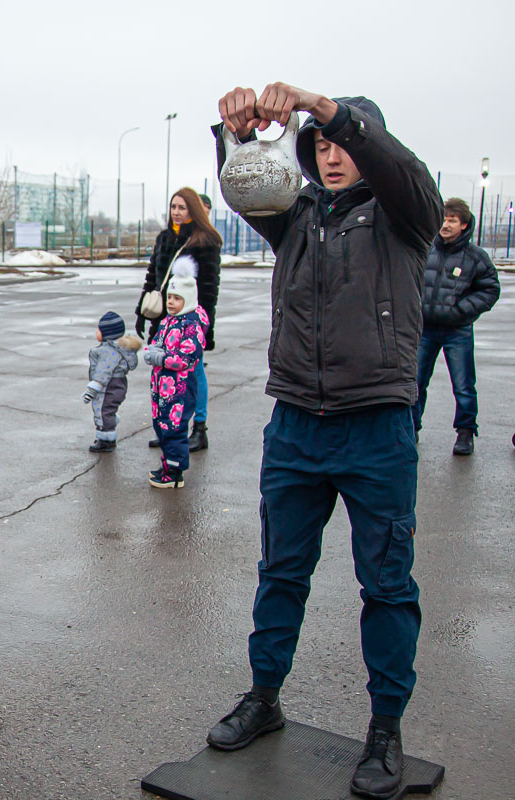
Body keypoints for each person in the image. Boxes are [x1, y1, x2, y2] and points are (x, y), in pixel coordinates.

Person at [206, 84, 441, 800]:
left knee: (387, 585)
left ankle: (385, 730)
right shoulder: (298, 213)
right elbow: (249, 190)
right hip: (297, 426)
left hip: (376, 427)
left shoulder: (407, 212)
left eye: (342, 143)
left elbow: (399, 170)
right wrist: (236, 136)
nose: (332, 156)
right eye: (322, 145)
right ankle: (264, 697)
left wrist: (324, 106)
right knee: (281, 570)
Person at [136, 187, 221, 452]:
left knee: (194, 373)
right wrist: (141, 311)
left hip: (190, 320)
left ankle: (200, 429)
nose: (176, 212)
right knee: (165, 373)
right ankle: (170, 429)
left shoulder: (205, 240)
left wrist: (206, 328)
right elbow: (153, 276)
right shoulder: (164, 237)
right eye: (173, 206)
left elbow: (209, 287)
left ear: (193, 210)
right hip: (164, 318)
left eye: (182, 207)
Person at [413, 197, 499, 456]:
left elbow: (491, 289)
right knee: (415, 382)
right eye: (444, 218)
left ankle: (465, 432)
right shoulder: (426, 250)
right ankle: (411, 428)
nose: (446, 224)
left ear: (463, 225)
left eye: (452, 220)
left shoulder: (476, 257)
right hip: (424, 329)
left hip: (457, 331)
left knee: (463, 384)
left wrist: (461, 311)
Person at [142, 266, 207, 488]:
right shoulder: (169, 320)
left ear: (187, 300)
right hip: (162, 388)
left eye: (177, 298)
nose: (170, 302)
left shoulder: (191, 325)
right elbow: (160, 340)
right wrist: (154, 349)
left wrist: (161, 358)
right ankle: (167, 465)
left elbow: (186, 357)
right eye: (169, 297)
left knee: (174, 428)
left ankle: (175, 473)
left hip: (179, 389)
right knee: (162, 426)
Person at [82, 311, 140, 453]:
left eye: (99, 330)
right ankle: (107, 434)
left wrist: (92, 390)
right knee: (108, 410)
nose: (96, 332)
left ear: (107, 334)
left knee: (103, 410)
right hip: (118, 384)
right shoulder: (120, 348)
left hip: (108, 386)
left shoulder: (108, 351)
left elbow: (103, 372)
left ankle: (106, 440)